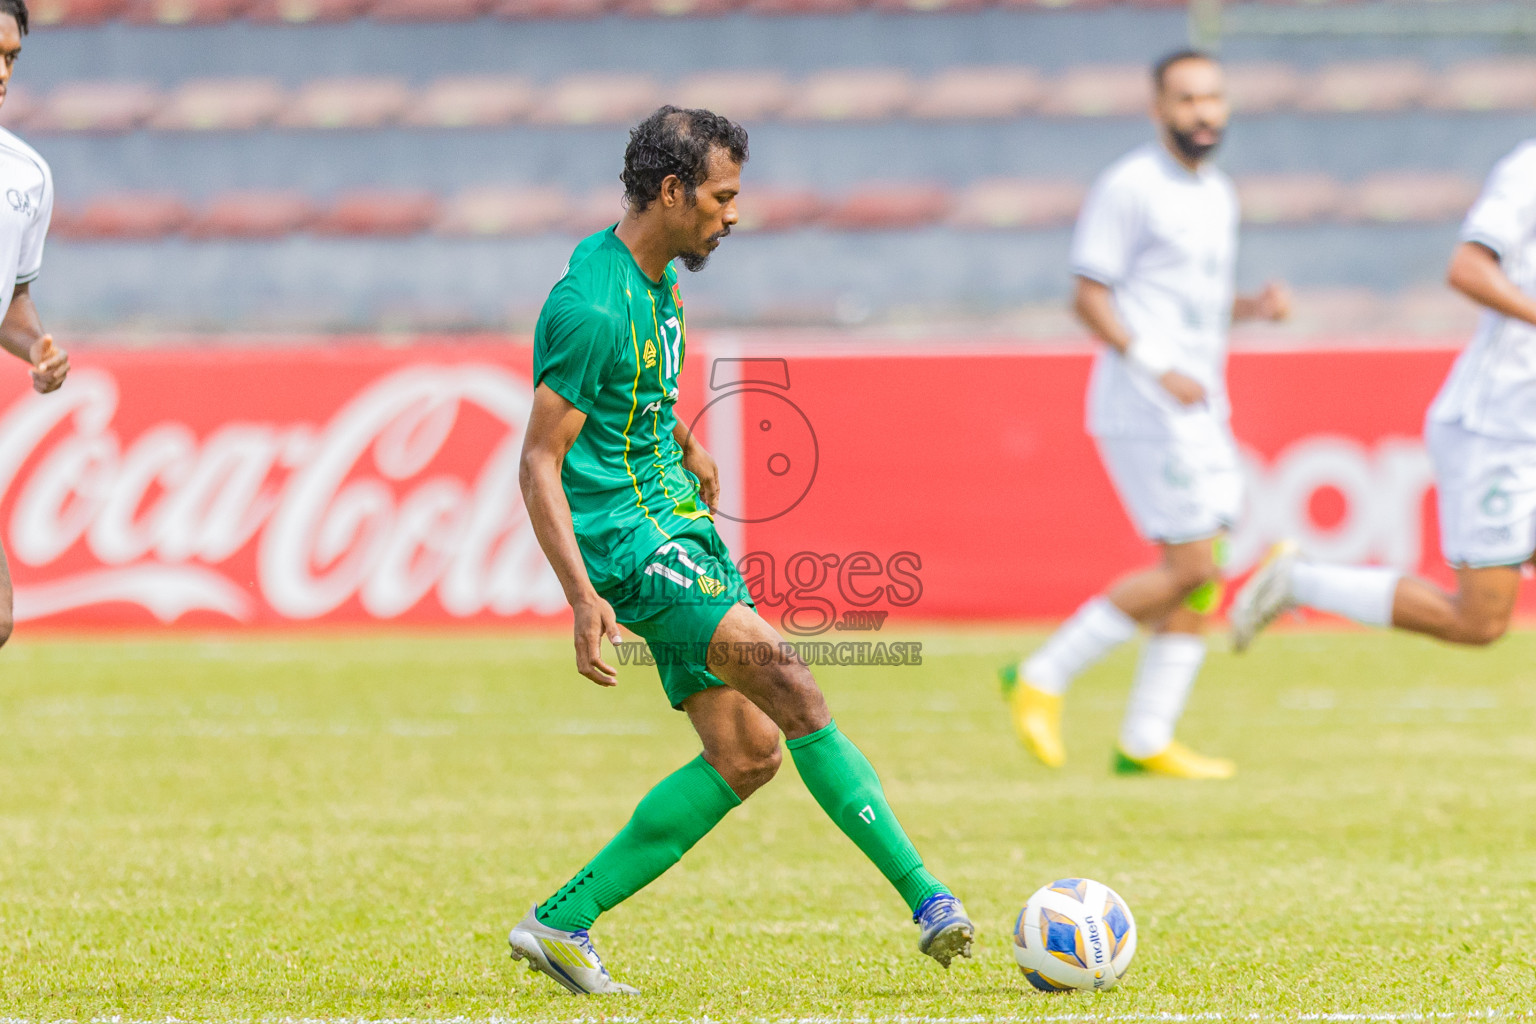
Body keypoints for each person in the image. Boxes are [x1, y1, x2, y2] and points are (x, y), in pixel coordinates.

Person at [512, 106, 972, 996]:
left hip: (676, 521)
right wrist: (580, 596)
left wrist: (684, 442)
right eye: (723, 197)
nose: (733, 214)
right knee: (796, 685)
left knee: (748, 751)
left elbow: (636, 386)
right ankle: (929, 898)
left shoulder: (650, 279)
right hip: (632, 545)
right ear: (673, 190)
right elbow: (538, 462)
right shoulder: (590, 306)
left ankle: (561, 922)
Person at [1000, 51, 1289, 779]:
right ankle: (1042, 673)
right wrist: (1153, 366)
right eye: (1187, 98)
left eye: (1213, 98)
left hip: (1197, 401)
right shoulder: (1130, 186)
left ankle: (1146, 736)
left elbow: (1185, 300)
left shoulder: (1217, 192)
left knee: (1204, 569)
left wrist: (1249, 309)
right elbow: (1090, 296)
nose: (1203, 112)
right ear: (1159, 107)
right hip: (1145, 402)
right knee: (1192, 562)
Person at [1232, 138, 1536, 652]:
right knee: (1479, 622)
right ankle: (1300, 580)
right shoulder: (1528, 171)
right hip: (1499, 428)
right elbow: (1467, 268)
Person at [0, 0, 69, 647]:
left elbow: (11, 301)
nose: (1, 72)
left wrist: (37, 352)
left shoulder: (27, 176)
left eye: (11, 58)